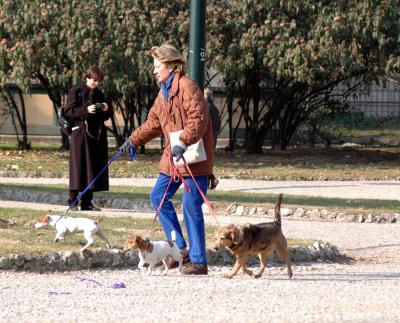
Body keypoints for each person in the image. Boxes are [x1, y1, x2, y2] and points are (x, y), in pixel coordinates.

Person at [121, 44, 214, 275]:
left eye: (157, 66)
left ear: (172, 66)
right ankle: (179, 250)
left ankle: (199, 261)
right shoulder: (162, 93)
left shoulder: (187, 86)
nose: (154, 71)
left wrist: (183, 140)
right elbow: (153, 124)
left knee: (190, 205)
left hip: (194, 157)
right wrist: (132, 140)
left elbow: (199, 119)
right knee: (158, 197)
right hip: (172, 157)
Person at [64, 65, 111, 211]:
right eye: (94, 80)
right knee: (78, 166)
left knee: (93, 167)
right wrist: (85, 110)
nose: (96, 83)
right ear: (87, 78)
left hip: (95, 135)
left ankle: (87, 202)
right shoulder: (76, 91)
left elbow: (106, 116)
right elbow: (69, 111)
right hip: (80, 134)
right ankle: (72, 201)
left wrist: (105, 108)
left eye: (98, 81)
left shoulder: (99, 94)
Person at [204, 87, 221, 190]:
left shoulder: (206, 107)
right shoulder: (215, 108)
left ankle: (210, 179)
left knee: (203, 159)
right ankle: (210, 179)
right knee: (208, 158)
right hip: (213, 135)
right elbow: (218, 124)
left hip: (207, 135)